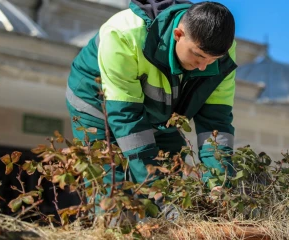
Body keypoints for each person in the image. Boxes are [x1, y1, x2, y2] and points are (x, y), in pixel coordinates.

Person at [66, 0, 236, 213]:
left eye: (213, 60)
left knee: (170, 181)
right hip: (99, 104)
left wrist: (219, 182)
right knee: (111, 191)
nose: (204, 66)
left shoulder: (223, 53)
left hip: (162, 113)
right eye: (199, 55)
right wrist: (157, 190)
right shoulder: (124, 34)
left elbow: (216, 123)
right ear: (178, 34)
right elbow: (126, 119)